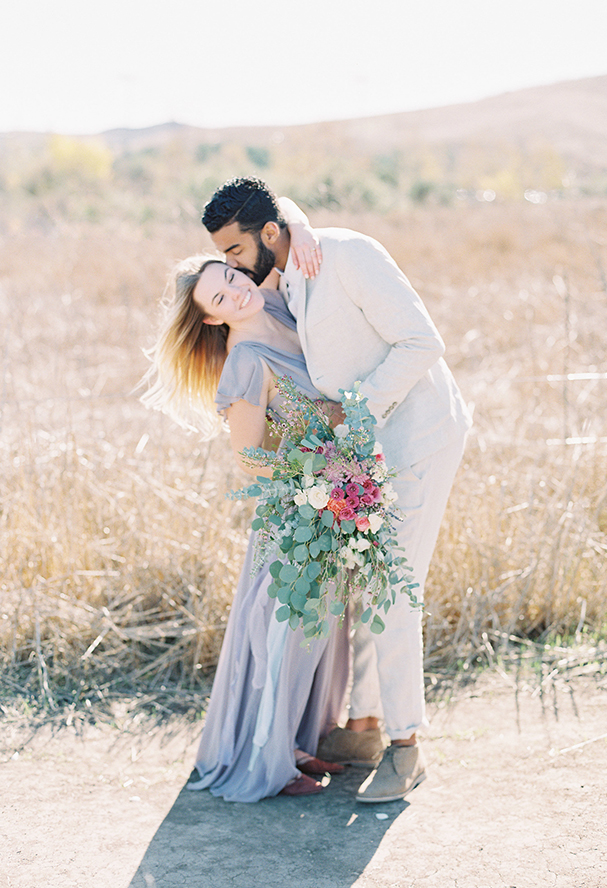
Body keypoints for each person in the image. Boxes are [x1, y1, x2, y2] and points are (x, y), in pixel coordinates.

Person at [201, 177, 473, 803]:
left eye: (237, 254)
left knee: (395, 583)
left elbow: (422, 343)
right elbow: (275, 221)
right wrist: (293, 219)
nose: (233, 269)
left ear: (268, 236)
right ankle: (366, 727)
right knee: (367, 583)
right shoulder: (286, 271)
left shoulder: (346, 254)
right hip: (368, 450)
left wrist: (354, 416)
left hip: (419, 433)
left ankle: (406, 747)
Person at [141, 256, 349, 802]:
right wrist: (316, 476)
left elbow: (285, 220)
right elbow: (251, 460)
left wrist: (297, 233)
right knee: (280, 635)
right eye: (219, 299)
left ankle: (297, 742)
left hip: (332, 498)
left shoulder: (280, 303)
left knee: (317, 630)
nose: (235, 294)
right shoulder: (247, 360)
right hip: (294, 509)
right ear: (212, 319)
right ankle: (264, 760)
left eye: (231, 279)